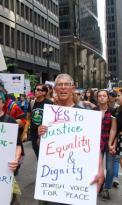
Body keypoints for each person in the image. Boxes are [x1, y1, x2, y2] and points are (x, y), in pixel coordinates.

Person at [38, 74, 105, 204]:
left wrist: (100, 170)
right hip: (55, 176)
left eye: (66, 84)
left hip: (79, 177)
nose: (63, 88)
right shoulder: (49, 115)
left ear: (72, 88)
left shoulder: (85, 115)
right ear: (55, 89)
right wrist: (41, 134)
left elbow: (94, 146)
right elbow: (42, 145)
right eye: (59, 85)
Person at [94, 90, 117, 201]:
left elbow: (115, 129)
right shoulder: (93, 111)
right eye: (100, 96)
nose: (102, 97)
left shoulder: (113, 111)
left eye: (104, 96)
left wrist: (112, 143)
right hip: (96, 143)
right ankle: (99, 185)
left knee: (110, 168)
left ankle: (106, 188)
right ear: (97, 98)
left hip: (109, 142)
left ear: (108, 98)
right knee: (97, 167)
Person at [26, 84, 53, 158]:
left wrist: (40, 136)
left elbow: (51, 120)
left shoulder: (49, 103)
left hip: (44, 132)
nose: (35, 91)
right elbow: (28, 118)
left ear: (44, 92)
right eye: (35, 89)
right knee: (36, 150)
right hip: (33, 132)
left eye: (38, 90)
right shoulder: (32, 103)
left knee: (45, 153)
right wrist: (25, 132)